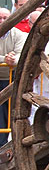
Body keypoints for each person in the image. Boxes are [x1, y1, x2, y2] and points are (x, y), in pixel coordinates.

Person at [0, 8, 27, 145]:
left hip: (12, 79)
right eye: (0, 18)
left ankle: (12, 144)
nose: (2, 21)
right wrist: (4, 59)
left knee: (14, 112)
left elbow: (21, 54)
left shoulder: (19, 34)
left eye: (5, 18)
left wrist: (12, 60)